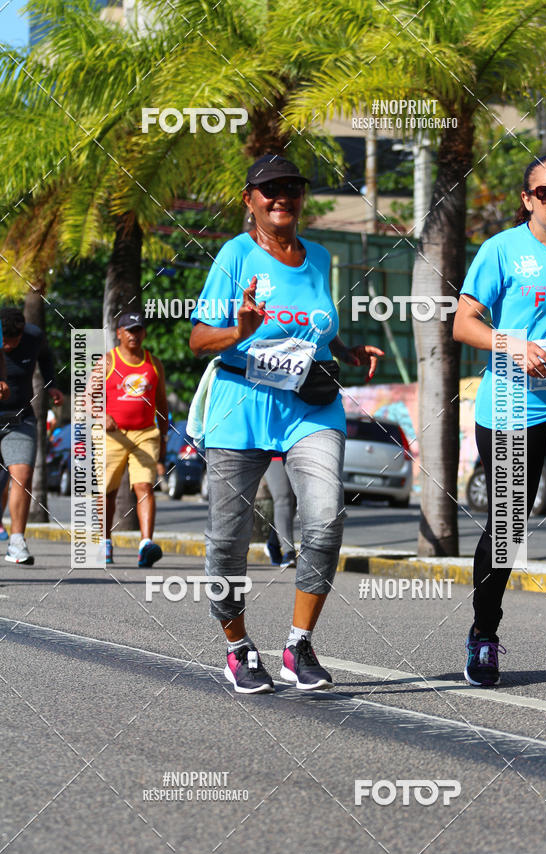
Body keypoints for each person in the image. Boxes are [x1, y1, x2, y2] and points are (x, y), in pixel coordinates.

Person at [190, 153, 383, 694]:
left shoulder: (319, 256)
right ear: (249, 200)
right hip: (242, 405)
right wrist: (239, 330)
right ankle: (237, 648)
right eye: (269, 189)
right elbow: (199, 339)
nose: (282, 198)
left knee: (323, 519)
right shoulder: (235, 255)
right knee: (228, 540)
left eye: (292, 188)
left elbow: (317, 327)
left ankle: (299, 646)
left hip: (309, 405)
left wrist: (345, 349)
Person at [453, 153, 546, 690]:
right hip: (511, 407)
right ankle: (484, 634)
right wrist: (511, 344)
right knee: (509, 528)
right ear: (527, 198)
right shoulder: (501, 250)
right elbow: (464, 324)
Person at [104, 312, 168, 567]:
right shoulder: (107, 361)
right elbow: (87, 398)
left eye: (138, 329)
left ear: (144, 333)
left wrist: (164, 437)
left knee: (144, 486)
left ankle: (145, 545)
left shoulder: (154, 363)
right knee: (107, 491)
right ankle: (104, 541)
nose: (134, 335)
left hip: (145, 433)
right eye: (129, 330)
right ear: (119, 333)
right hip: (113, 435)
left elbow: (161, 403)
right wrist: (102, 415)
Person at [0, 306, 63, 564]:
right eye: (3, 340)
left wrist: (51, 385)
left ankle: (17, 542)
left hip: (19, 418)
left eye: (13, 341)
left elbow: (45, 358)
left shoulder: (35, 336)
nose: (7, 346)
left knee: (23, 475)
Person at [263, 456, 297, 568]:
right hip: (274, 451)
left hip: (299, 451)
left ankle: (273, 542)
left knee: (295, 501)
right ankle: (289, 552)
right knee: (283, 498)